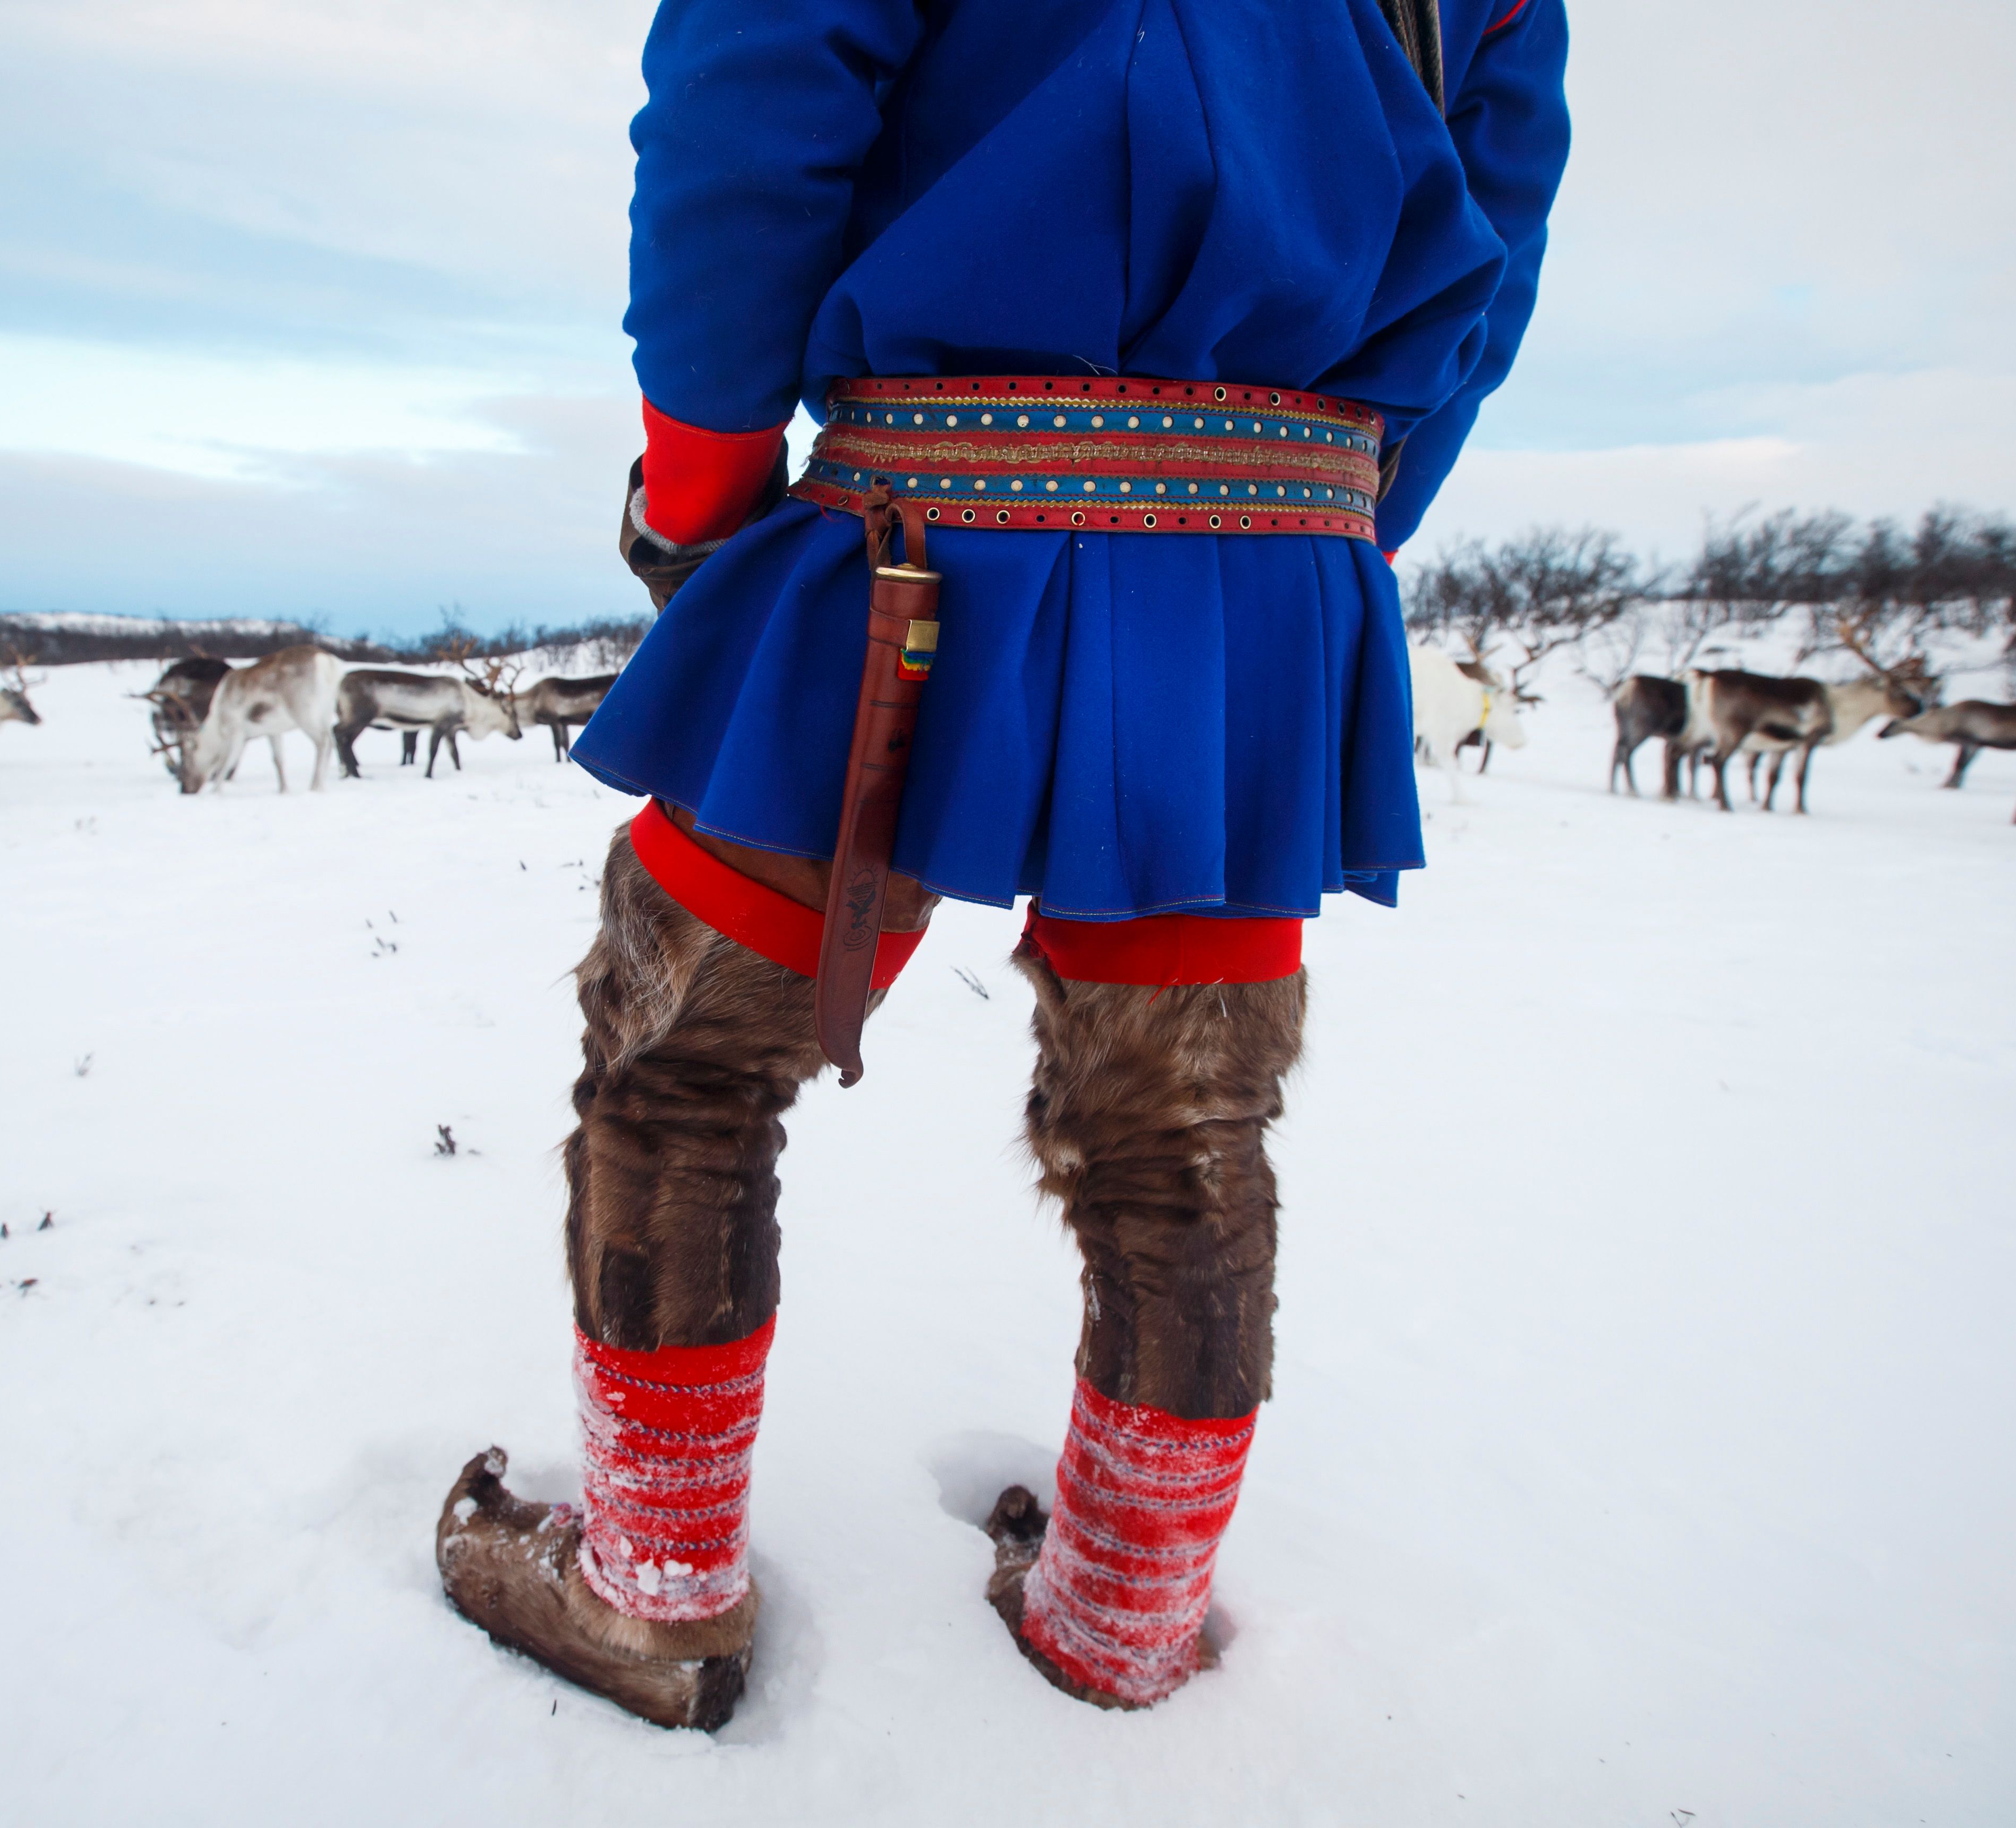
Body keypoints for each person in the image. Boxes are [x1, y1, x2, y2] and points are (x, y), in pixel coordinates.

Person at [436, 0, 1570, 1730]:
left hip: (909, 539)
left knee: (685, 1061)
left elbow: (757, 90)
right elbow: (1494, 224)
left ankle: (651, 1593)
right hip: (1254, 584)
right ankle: (1123, 1619)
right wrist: (1321, 529)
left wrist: (704, 486)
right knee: (1182, 1128)